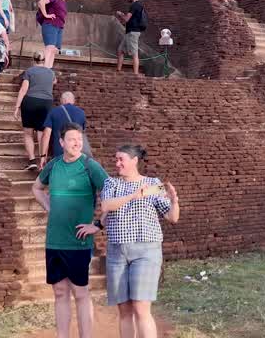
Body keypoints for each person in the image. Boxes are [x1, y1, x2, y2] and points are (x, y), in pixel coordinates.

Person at [32, 124, 108, 338]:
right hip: (54, 240)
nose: (77, 143)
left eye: (79, 139)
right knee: (59, 292)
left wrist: (98, 223)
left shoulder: (89, 166)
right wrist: (49, 206)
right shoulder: (53, 165)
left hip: (78, 241)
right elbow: (36, 188)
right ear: (62, 142)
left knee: (81, 293)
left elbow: (111, 193)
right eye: (72, 139)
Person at [99, 145, 180, 338]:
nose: (117, 163)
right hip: (117, 252)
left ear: (134, 161)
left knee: (141, 306)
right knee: (124, 310)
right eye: (116, 159)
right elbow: (107, 205)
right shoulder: (111, 183)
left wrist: (175, 202)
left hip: (146, 251)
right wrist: (134, 194)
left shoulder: (153, 183)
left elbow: (172, 217)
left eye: (121, 159)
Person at [14, 63, 57, 170]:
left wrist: (17, 106)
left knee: (28, 133)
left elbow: (24, 89)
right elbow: (54, 82)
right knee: (42, 133)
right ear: (44, 61)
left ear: (33, 60)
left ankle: (32, 160)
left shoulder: (29, 71)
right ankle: (42, 160)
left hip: (30, 101)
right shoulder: (51, 72)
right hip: (46, 103)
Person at [42, 91, 90, 163]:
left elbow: (46, 135)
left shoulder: (53, 112)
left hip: (60, 152)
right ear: (73, 101)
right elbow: (81, 133)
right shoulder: (81, 113)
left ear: (62, 100)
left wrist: (43, 155)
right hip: (76, 153)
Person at [36, 0, 71, 68]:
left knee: (55, 49)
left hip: (59, 27)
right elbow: (41, 2)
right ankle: (45, 69)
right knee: (50, 47)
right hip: (50, 25)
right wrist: (45, 15)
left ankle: (49, 69)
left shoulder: (64, 3)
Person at [114, 0, 147, 75]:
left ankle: (136, 74)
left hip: (133, 32)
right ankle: (118, 70)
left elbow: (126, 19)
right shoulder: (139, 5)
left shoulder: (134, 5)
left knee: (134, 53)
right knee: (120, 50)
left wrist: (121, 14)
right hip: (129, 32)